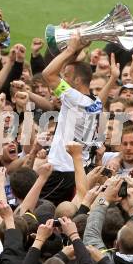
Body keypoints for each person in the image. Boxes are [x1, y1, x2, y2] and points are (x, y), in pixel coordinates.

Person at [40, 32, 103, 204]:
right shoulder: (95, 101)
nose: (62, 78)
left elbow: (47, 74)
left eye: (66, 76)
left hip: (62, 172)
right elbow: (62, 70)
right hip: (78, 170)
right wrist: (78, 49)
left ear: (76, 80)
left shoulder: (74, 99)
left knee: (41, 214)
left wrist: (69, 50)